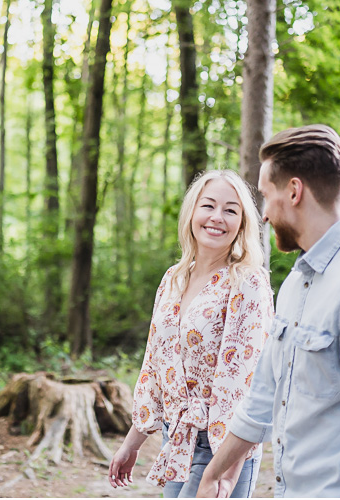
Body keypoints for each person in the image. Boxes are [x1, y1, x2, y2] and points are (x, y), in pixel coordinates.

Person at [197, 125, 340, 498]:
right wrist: (215, 472)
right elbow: (262, 397)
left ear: (293, 191)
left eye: (265, 196)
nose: (262, 214)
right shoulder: (297, 281)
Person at [108, 169, 275, 498]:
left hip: (222, 447)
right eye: (208, 206)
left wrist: (227, 473)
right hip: (177, 439)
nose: (217, 217)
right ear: (192, 212)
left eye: (230, 210)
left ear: (243, 223)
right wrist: (133, 444)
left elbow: (246, 381)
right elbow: (155, 368)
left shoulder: (247, 282)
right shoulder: (173, 279)